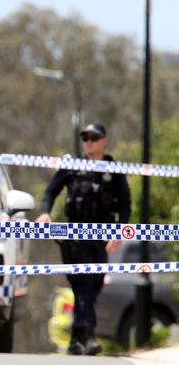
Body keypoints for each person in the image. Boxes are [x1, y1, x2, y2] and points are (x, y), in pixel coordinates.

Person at [35, 123, 131, 356]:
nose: (88, 142)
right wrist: (45, 212)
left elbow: (126, 204)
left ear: (103, 140)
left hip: (100, 236)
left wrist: (118, 232)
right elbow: (50, 191)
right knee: (82, 284)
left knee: (94, 284)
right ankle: (87, 335)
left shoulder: (112, 169)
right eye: (85, 138)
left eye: (93, 137)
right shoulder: (72, 165)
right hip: (74, 236)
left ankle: (76, 338)